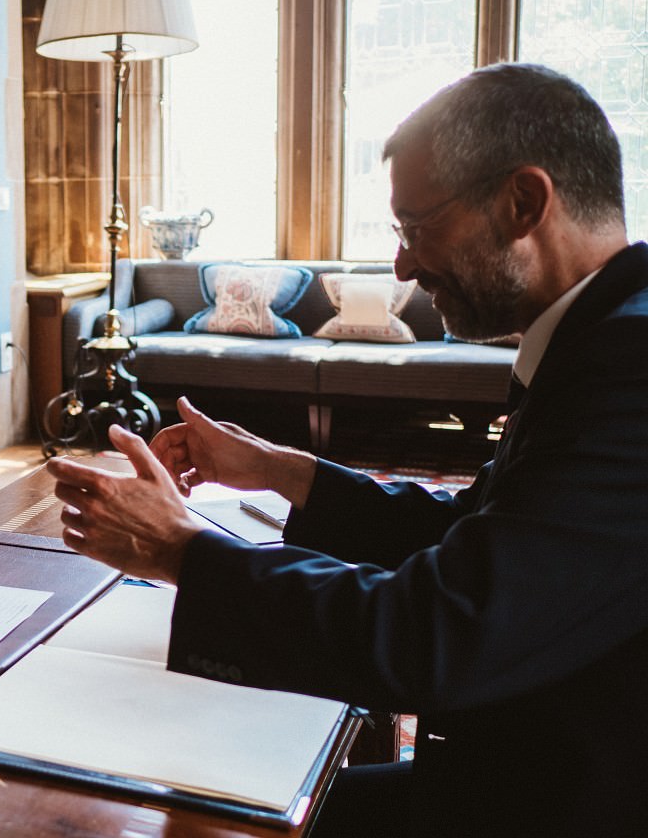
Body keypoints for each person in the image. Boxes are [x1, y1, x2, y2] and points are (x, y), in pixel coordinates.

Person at [47, 62, 648, 837]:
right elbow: (477, 534)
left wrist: (180, 549)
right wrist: (279, 469)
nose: (401, 265)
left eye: (415, 228)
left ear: (524, 202)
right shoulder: (602, 333)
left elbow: (434, 632)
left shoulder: (629, 373)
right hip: (521, 763)